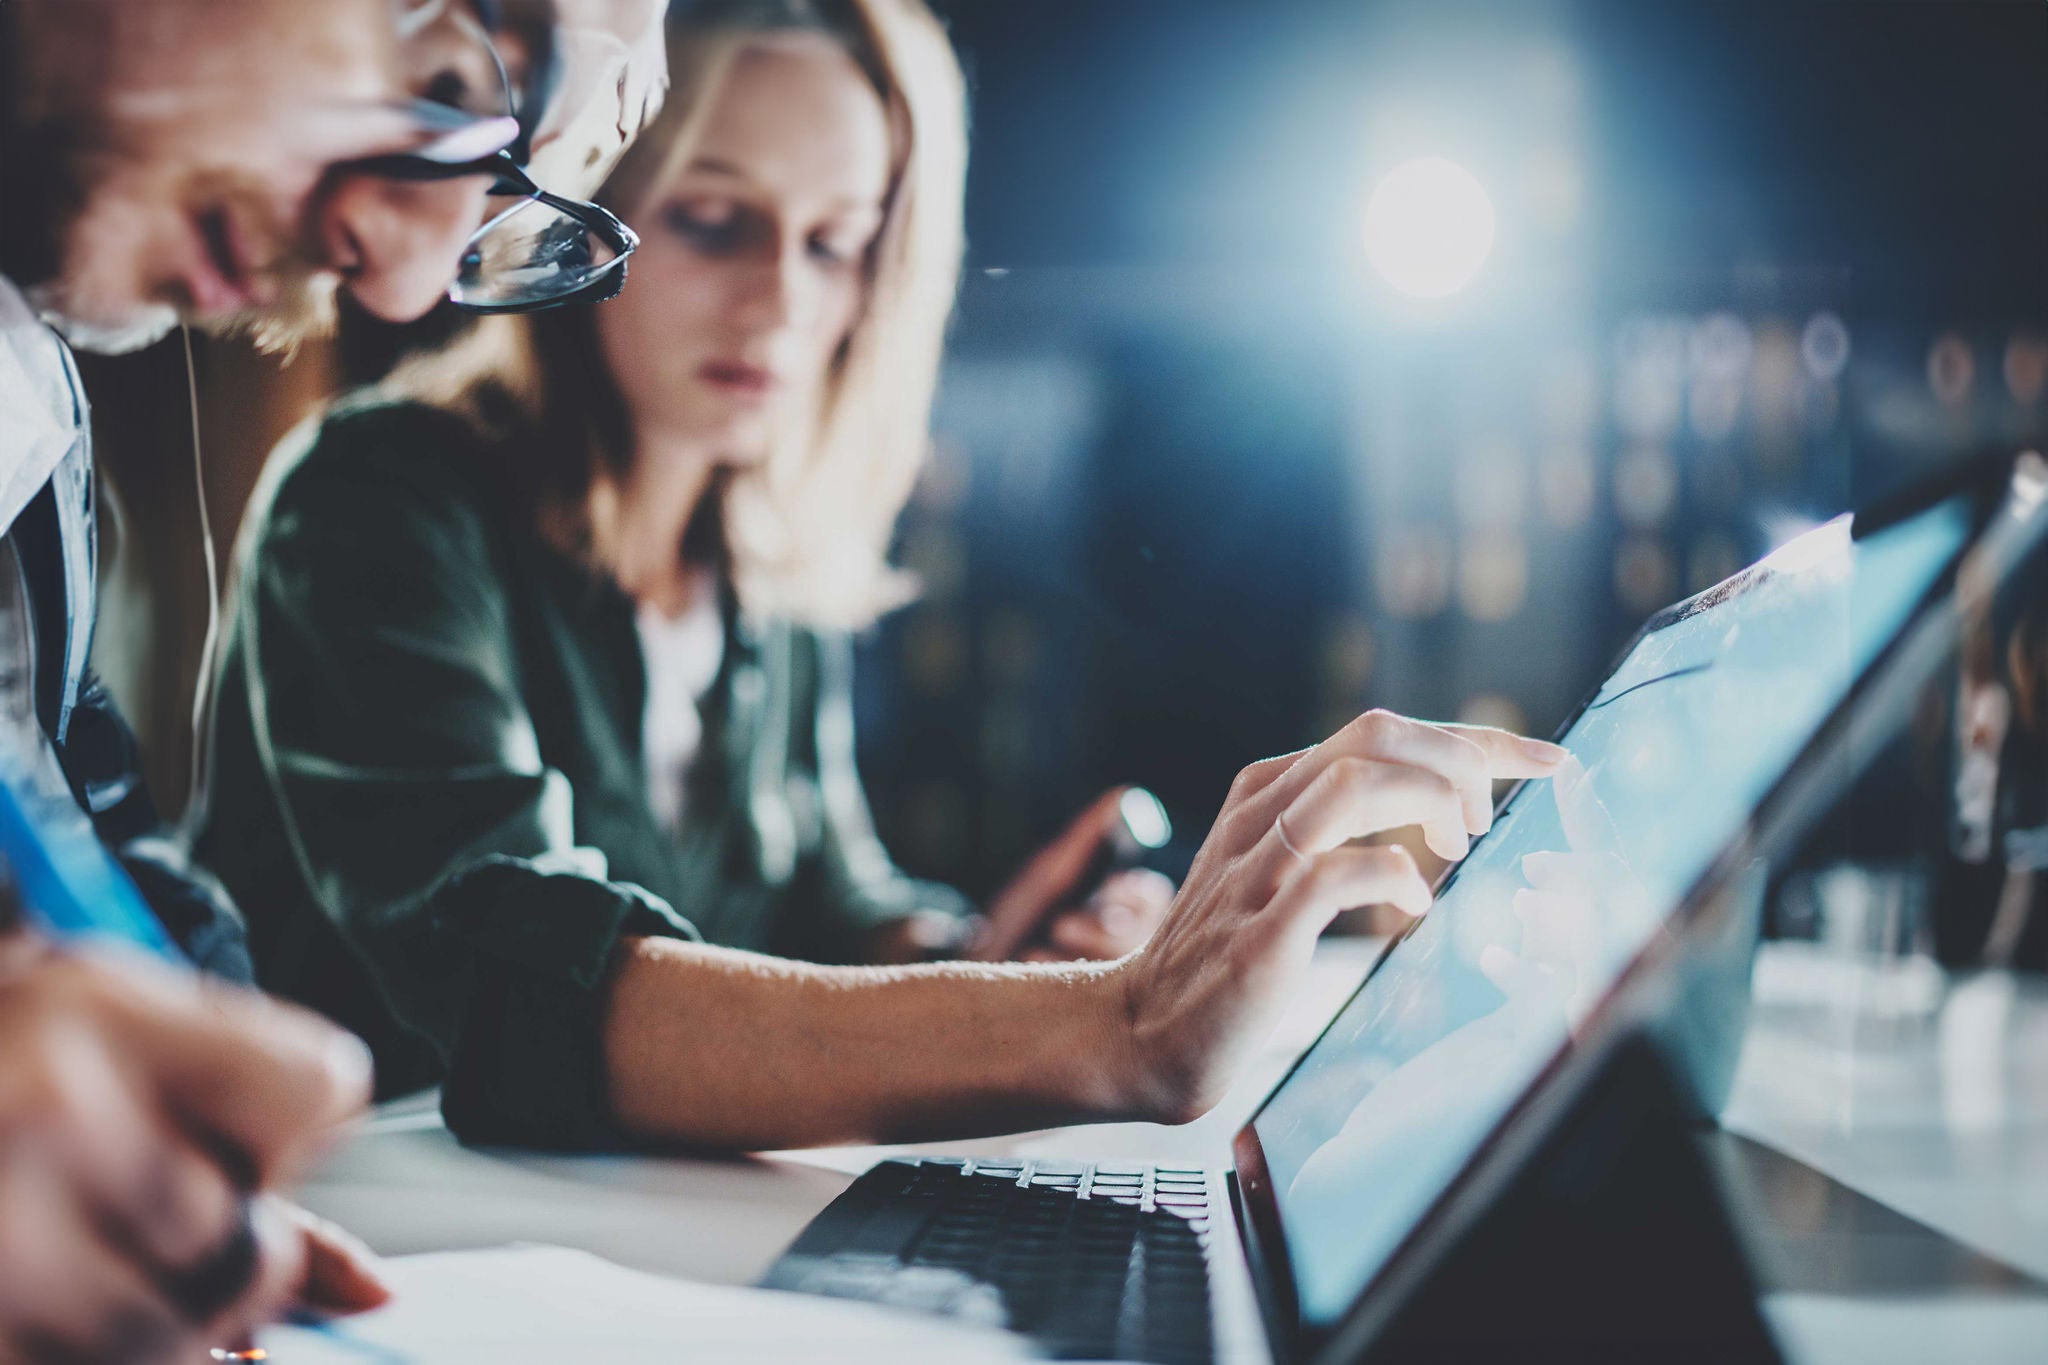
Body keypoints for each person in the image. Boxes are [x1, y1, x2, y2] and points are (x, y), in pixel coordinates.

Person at [197, 0, 1569, 1157]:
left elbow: (827, 902)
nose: (783, 302)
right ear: (588, 203)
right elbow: (516, 982)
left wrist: (994, 951)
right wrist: (1116, 1020)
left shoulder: (756, 568)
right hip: (356, 1256)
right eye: (718, 221)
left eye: (836, 242)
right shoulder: (374, 500)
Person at [0, 0, 670, 1358]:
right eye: (443, 73)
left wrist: (172, 1157)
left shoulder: (31, 395)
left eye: (492, 201)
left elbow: (73, 792)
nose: (400, 287)